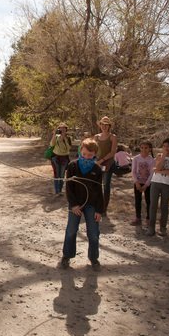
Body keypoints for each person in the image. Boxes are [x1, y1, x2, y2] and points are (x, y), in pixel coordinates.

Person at [59, 138, 105, 271]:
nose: (86, 157)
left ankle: (94, 258)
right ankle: (66, 256)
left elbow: (99, 191)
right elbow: (69, 187)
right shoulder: (72, 166)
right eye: (84, 154)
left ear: (95, 154)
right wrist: (73, 205)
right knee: (71, 230)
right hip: (75, 204)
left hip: (91, 205)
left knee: (93, 233)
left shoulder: (97, 169)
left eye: (90, 155)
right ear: (80, 150)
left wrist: (99, 210)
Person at [146, 138, 169, 237]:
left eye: (168, 146)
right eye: (164, 146)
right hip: (156, 182)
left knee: (164, 206)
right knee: (153, 205)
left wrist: (160, 171)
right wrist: (164, 156)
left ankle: (163, 228)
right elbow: (157, 168)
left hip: (167, 184)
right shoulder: (159, 156)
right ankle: (151, 228)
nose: (166, 148)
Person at [94, 116, 118, 211]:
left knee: (106, 185)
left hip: (107, 164)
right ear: (100, 125)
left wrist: (102, 160)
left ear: (109, 126)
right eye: (102, 124)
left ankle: (104, 208)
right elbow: (94, 149)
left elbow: (112, 152)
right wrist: (95, 160)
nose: (104, 126)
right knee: (96, 184)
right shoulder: (96, 136)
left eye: (106, 125)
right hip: (97, 163)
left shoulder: (113, 137)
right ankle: (96, 205)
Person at [130, 141, 154, 226]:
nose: (144, 149)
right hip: (138, 182)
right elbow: (133, 172)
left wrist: (146, 185)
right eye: (142, 147)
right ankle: (138, 218)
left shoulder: (151, 160)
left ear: (150, 149)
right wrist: (136, 182)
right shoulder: (136, 158)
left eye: (146, 148)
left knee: (148, 201)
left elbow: (152, 173)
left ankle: (148, 218)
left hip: (148, 183)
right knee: (137, 200)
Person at [48, 123, 72, 195]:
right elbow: (52, 144)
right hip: (56, 158)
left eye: (64, 128)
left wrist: (64, 138)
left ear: (66, 129)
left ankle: (60, 190)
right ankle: (57, 191)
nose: (62, 129)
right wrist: (54, 134)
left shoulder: (68, 138)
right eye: (60, 128)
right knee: (56, 174)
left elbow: (69, 148)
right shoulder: (56, 136)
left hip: (64, 158)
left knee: (61, 175)